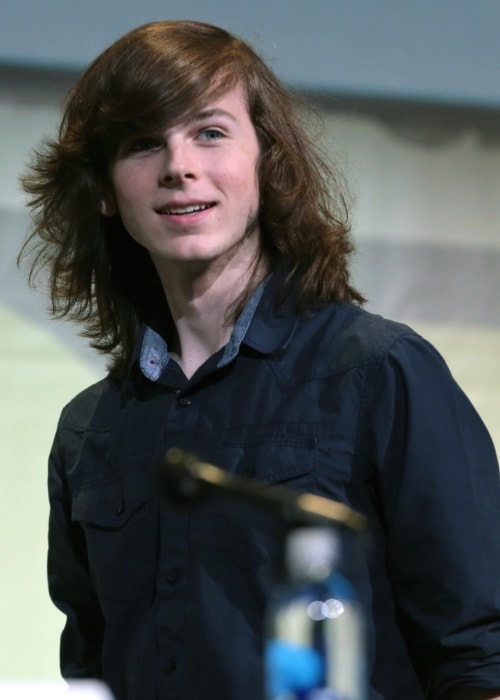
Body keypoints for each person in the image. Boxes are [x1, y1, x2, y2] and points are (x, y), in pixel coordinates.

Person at [18, 19, 500, 700]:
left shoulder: (382, 373)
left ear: (267, 164)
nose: (179, 165)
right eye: (142, 142)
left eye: (210, 133)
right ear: (103, 190)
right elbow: (91, 672)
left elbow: (481, 659)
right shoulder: (86, 431)